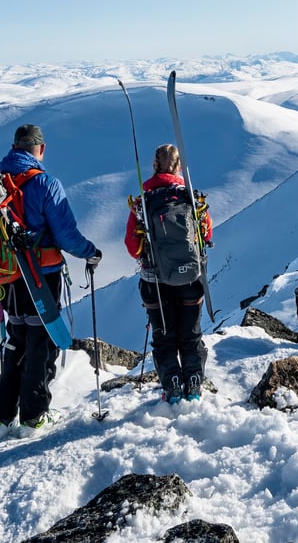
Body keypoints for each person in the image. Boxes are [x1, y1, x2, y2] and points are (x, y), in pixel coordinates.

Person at [0, 123, 101, 439]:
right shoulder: (45, 184)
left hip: (9, 275)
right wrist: (90, 252)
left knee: (16, 338)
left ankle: (2, 417)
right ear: (41, 149)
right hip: (42, 276)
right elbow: (65, 235)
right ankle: (33, 416)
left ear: (15, 146)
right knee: (41, 343)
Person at [124, 144, 213, 403]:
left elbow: (132, 246)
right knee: (191, 334)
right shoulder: (191, 199)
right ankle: (193, 384)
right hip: (190, 278)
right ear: (179, 166)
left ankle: (172, 386)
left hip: (155, 281)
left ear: (155, 165)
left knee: (164, 337)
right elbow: (206, 234)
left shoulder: (143, 203)